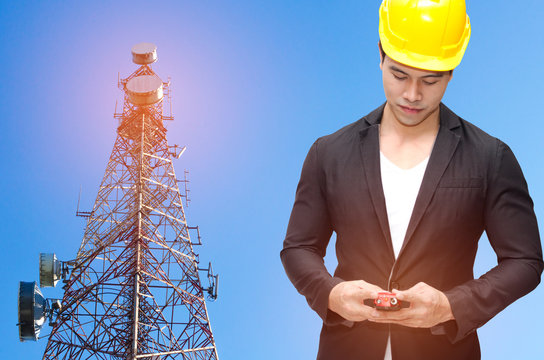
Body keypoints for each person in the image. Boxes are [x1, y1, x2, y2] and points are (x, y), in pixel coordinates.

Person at [280, 1, 543, 359]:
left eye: (430, 80)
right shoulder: (328, 153)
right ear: (380, 55)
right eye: (400, 75)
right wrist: (330, 293)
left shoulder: (490, 157)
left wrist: (451, 306)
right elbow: (299, 248)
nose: (413, 95)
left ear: (451, 72)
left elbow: (525, 262)